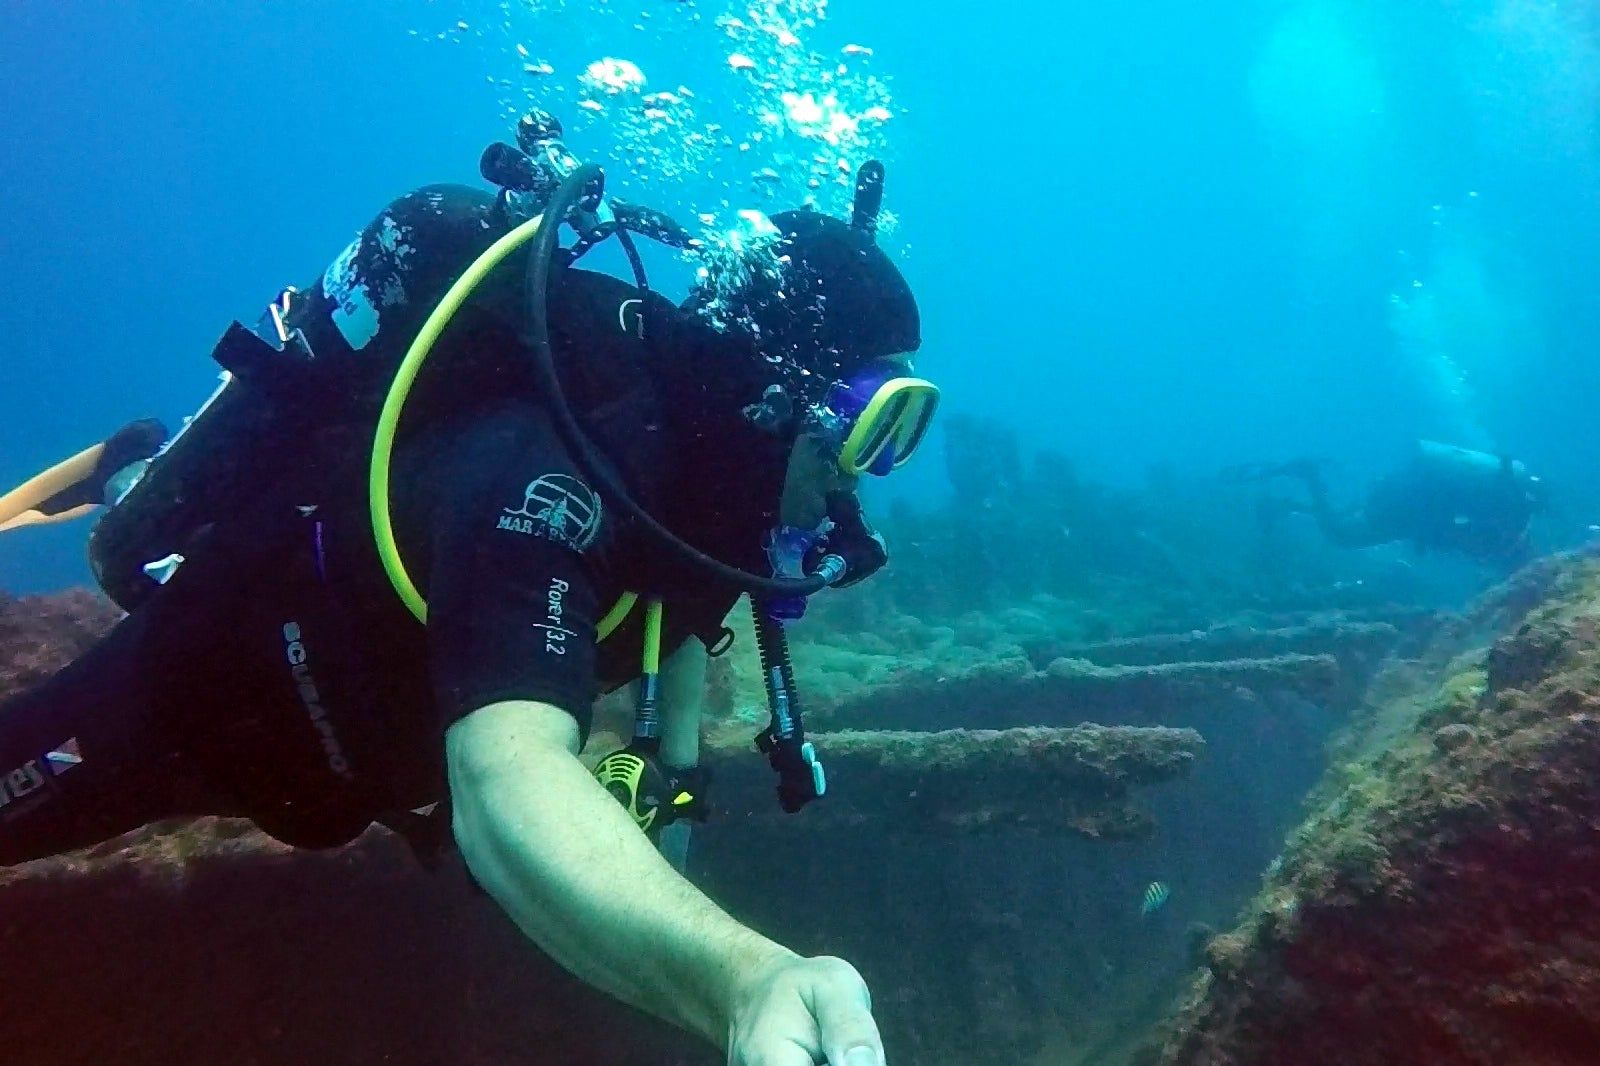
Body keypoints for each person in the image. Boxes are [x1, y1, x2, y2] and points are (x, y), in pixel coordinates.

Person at [0, 113, 938, 1065]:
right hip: (196, 704)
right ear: (772, 396)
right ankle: (132, 478)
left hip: (335, 770)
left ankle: (132, 466)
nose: (862, 479)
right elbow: (506, 776)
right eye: (871, 426)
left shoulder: (705, 505)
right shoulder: (549, 484)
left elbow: (682, 640)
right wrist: (744, 982)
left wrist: (668, 801)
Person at [1238, 440, 1544, 566]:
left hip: (1406, 500)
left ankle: (1289, 505)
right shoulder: (1501, 524)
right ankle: (1310, 476)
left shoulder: (1502, 513)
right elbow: (1455, 531)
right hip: (1408, 509)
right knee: (1342, 536)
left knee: (1347, 523)